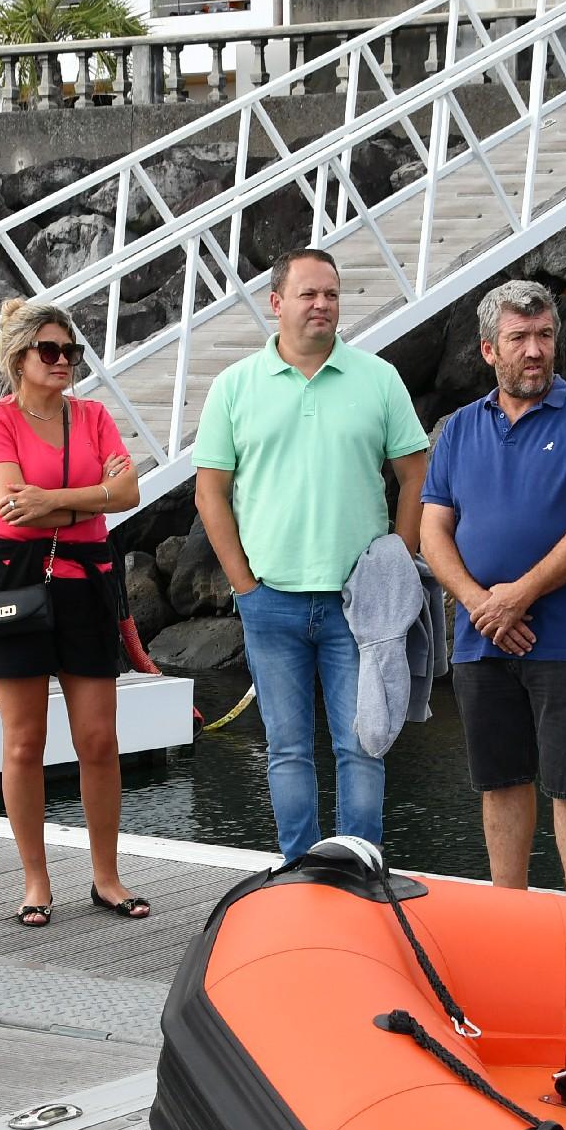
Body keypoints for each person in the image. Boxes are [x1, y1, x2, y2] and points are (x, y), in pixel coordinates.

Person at [193, 248, 429, 862]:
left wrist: (397, 563)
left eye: (330, 293)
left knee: (363, 743)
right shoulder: (234, 387)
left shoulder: (378, 379)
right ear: (276, 303)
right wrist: (244, 584)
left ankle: (360, 865)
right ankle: (298, 867)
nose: (322, 304)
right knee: (287, 747)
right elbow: (210, 492)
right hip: (269, 601)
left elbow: (415, 473)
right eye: (307, 294)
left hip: (361, 604)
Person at [418, 280, 566, 901]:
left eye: (544, 336)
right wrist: (484, 605)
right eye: (519, 339)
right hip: (482, 640)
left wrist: (520, 595)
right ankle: (511, 917)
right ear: (489, 350)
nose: (534, 350)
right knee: (500, 782)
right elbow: (433, 531)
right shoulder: (457, 429)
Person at [0, 299, 149, 927]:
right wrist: (86, 505)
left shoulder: (92, 417)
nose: (65, 361)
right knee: (24, 742)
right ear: (18, 358)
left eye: (72, 351)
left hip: (86, 583)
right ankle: (36, 882)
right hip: (14, 581)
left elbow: (129, 493)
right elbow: (8, 504)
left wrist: (55, 501)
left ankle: (107, 877)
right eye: (51, 351)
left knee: (100, 739)